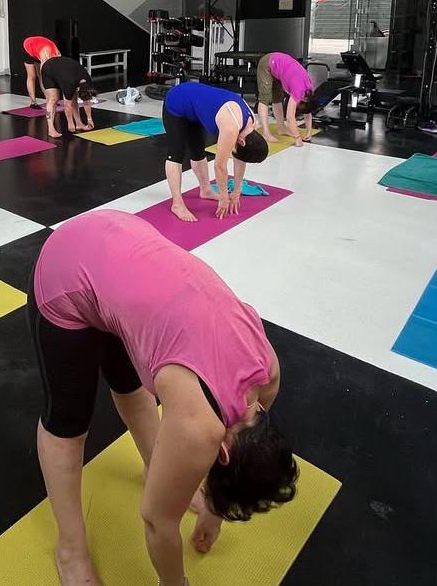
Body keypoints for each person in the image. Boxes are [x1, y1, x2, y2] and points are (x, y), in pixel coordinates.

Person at [31, 210, 297, 586]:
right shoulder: (200, 426)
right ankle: (70, 550)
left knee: (133, 386)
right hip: (67, 268)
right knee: (68, 423)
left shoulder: (268, 375)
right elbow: (157, 522)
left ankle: (154, 469)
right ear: (221, 453)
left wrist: (215, 510)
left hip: (121, 250)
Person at [162, 81, 269, 223]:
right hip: (177, 101)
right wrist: (224, 196)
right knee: (175, 154)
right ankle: (177, 204)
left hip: (194, 106)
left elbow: (240, 158)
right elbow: (220, 166)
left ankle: (205, 190)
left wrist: (237, 191)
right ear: (242, 142)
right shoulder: (232, 127)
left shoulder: (250, 124)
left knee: (198, 151)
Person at [256, 52, 315, 147]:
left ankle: (281, 128)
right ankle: (266, 133)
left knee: (277, 98)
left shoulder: (309, 90)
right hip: (267, 63)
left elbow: (307, 111)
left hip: (280, 68)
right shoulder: (298, 91)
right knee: (265, 99)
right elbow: (290, 117)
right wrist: (297, 138)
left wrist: (309, 133)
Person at [41, 56, 97, 139]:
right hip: (49, 68)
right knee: (53, 99)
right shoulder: (69, 84)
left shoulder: (88, 81)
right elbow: (67, 105)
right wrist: (70, 122)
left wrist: (89, 119)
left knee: (74, 98)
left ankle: (79, 124)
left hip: (65, 71)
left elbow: (87, 102)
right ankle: (51, 129)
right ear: (78, 89)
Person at [23, 35, 61, 107]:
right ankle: (33, 102)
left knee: (41, 77)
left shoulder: (57, 54)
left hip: (39, 48)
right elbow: (44, 73)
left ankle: (49, 99)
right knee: (32, 76)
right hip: (29, 46)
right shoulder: (45, 56)